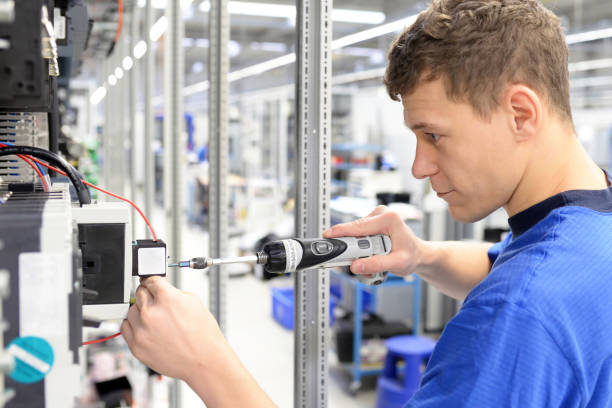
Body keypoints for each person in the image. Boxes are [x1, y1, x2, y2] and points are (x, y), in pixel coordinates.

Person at [121, 0, 612, 406]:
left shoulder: (517, 317)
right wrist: (421, 255)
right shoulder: (589, 215)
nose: (419, 166)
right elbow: (507, 264)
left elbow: (522, 292)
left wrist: (205, 364)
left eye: (434, 135)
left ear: (521, 114)